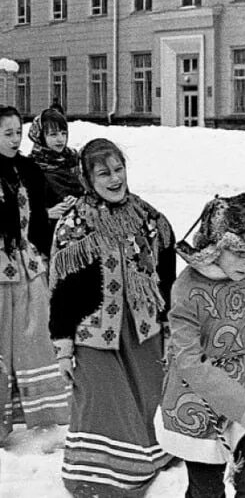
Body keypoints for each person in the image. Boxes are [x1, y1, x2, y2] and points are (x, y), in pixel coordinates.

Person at [48, 138, 176, 497]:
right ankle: (102, 480)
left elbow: (166, 271)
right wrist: (63, 346)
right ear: (88, 178)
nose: (115, 179)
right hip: (94, 334)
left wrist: (168, 321)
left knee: (149, 399)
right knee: (104, 405)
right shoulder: (75, 224)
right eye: (104, 173)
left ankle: (155, 458)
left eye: (119, 169)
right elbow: (62, 291)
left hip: (143, 330)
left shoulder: (148, 217)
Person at [158, 192, 245, 498]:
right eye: (240, 253)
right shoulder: (186, 291)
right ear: (215, 248)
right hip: (196, 396)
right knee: (206, 490)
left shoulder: (244, 270)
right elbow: (189, 363)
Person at [0, 106, 70, 444]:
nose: (15, 139)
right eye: (7, 133)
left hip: (29, 265)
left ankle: (41, 412)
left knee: (35, 338)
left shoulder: (28, 169)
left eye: (17, 132)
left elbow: (39, 220)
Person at [27, 107, 84, 235]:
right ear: (40, 136)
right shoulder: (29, 168)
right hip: (46, 237)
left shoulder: (74, 160)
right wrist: (47, 213)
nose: (60, 139)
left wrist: (79, 201)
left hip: (80, 233)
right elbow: (18, 211)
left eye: (64, 133)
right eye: (53, 134)